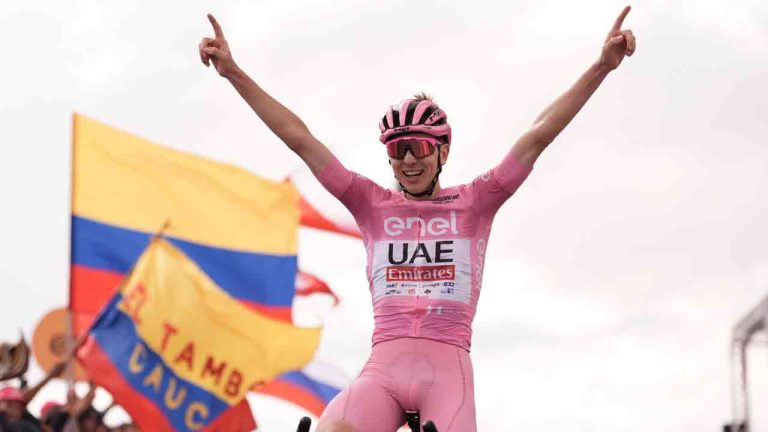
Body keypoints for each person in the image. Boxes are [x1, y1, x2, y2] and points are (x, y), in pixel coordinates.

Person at [199, 6, 636, 431]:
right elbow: (300, 139)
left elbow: (538, 136)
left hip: (446, 371)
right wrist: (233, 71)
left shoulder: (477, 201)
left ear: (442, 151)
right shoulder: (369, 203)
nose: (408, 160)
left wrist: (602, 66)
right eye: (397, 149)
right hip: (382, 370)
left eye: (420, 148)